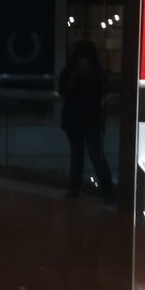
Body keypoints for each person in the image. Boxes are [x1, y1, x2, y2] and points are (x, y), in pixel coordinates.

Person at [58, 39, 116, 202]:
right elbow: (64, 90)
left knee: (81, 154)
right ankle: (107, 192)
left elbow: (64, 91)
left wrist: (81, 74)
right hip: (90, 117)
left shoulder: (73, 70)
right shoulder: (95, 70)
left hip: (79, 117)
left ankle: (76, 189)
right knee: (92, 154)